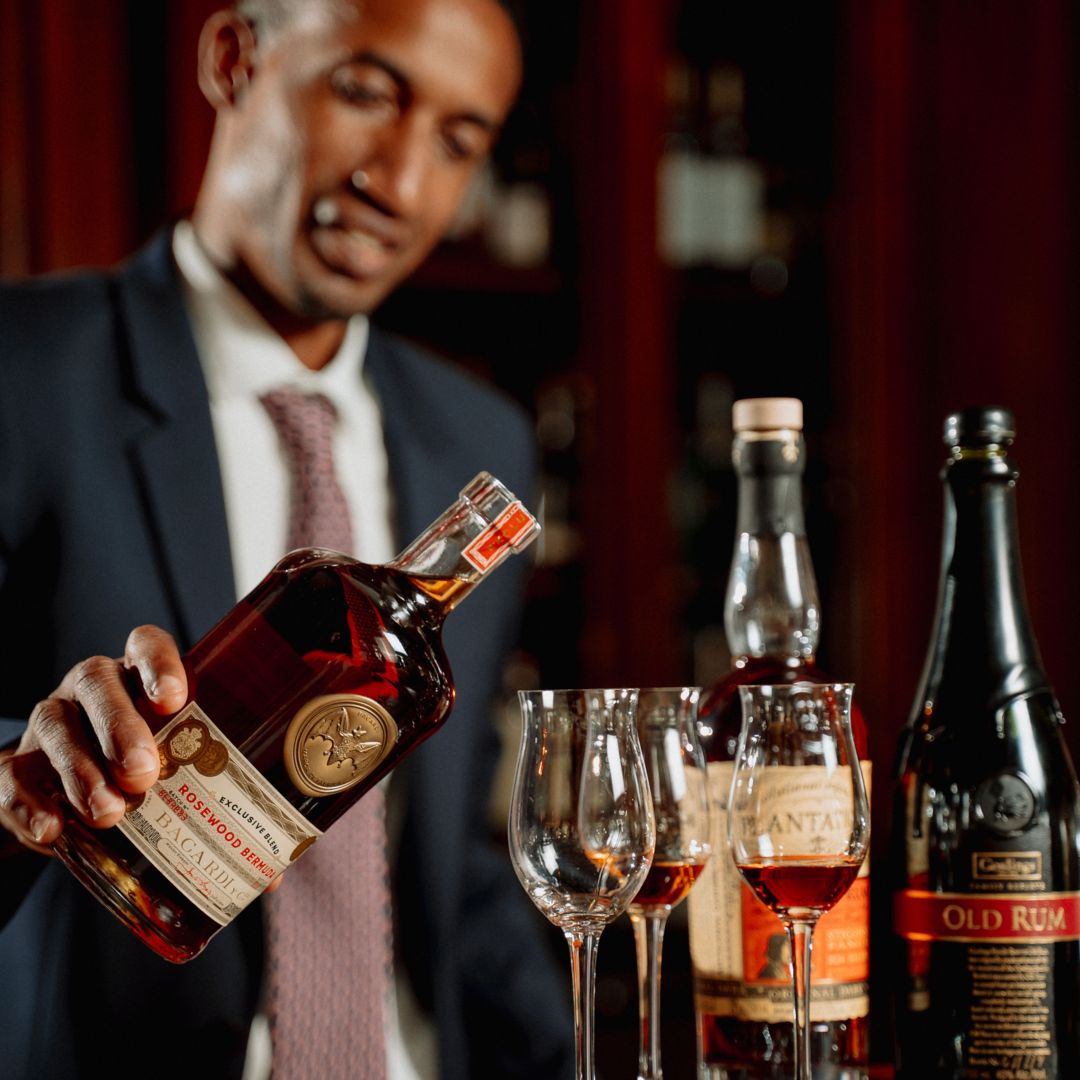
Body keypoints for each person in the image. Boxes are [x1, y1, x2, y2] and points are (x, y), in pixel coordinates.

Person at [0, 1, 572, 1077]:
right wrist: (15, 787)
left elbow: (453, 863)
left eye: (458, 141)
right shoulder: (21, 375)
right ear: (234, 57)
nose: (400, 185)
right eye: (366, 92)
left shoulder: (479, 447)